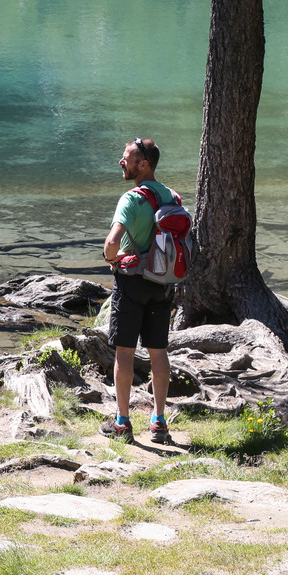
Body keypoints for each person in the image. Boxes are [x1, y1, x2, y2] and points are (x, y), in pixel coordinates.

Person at [100, 137, 175, 444]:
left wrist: (109, 257)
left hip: (132, 282)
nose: (122, 161)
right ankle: (158, 420)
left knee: (125, 352)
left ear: (144, 165)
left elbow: (113, 241)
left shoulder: (131, 199)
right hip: (163, 282)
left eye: (128, 158)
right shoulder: (171, 195)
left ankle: (122, 422)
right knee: (158, 351)